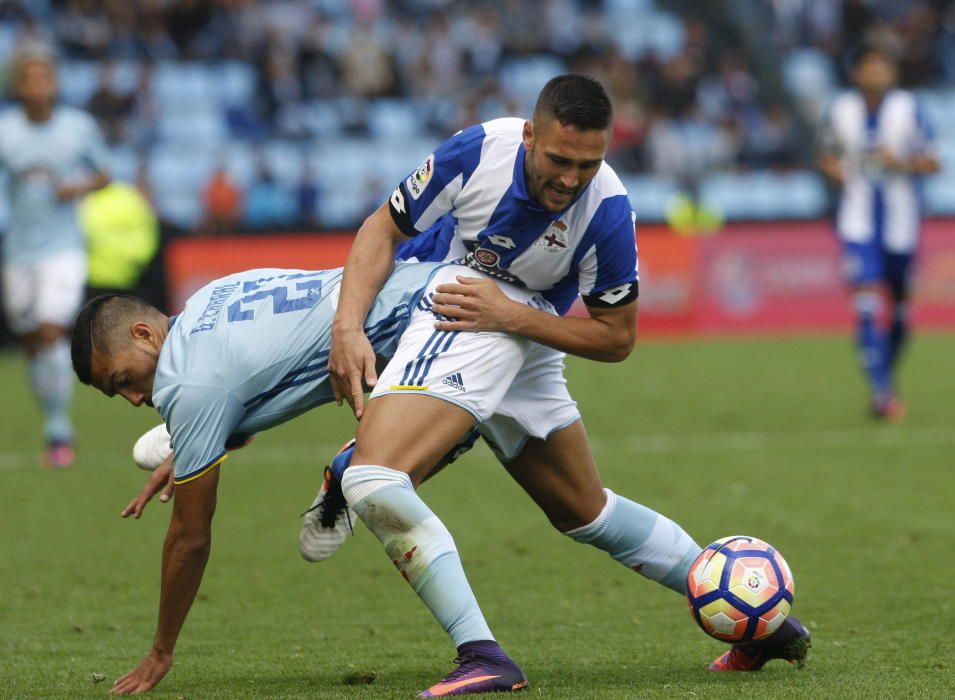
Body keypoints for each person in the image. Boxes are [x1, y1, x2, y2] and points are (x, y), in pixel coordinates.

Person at [325, 73, 810, 695]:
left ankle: (483, 655)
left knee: (382, 478)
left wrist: (509, 317)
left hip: (507, 324)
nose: (570, 178)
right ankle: (763, 626)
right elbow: (383, 228)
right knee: (580, 509)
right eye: (558, 158)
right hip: (470, 305)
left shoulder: (606, 210)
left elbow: (617, 337)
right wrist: (347, 326)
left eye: (588, 163)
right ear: (530, 135)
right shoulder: (475, 152)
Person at [69, 262, 496, 695]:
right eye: (117, 394)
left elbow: (190, 537)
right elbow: (263, 374)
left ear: (143, 334)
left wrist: (161, 650)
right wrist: (195, 444)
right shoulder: (206, 301)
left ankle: (482, 655)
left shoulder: (187, 385)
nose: (136, 398)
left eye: (124, 380)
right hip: (433, 282)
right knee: (569, 512)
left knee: (373, 479)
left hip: (437, 315)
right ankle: (440, 435)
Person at [0, 43, 110, 467]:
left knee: (50, 329)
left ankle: (59, 429)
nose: (37, 86)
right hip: (19, 251)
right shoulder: (6, 130)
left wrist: (77, 186)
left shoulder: (77, 127)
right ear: (18, 85)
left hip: (64, 247)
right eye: (29, 78)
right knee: (30, 338)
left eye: (44, 77)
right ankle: (51, 415)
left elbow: (104, 173)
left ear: (54, 83)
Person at [818, 45, 940, 420]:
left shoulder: (909, 108)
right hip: (858, 221)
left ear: (892, 73)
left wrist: (898, 161)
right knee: (867, 300)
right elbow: (825, 154)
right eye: (867, 67)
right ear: (857, 73)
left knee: (901, 307)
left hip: (901, 223)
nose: (874, 74)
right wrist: (834, 171)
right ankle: (882, 392)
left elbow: (933, 161)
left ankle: (886, 376)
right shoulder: (840, 110)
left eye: (881, 67)